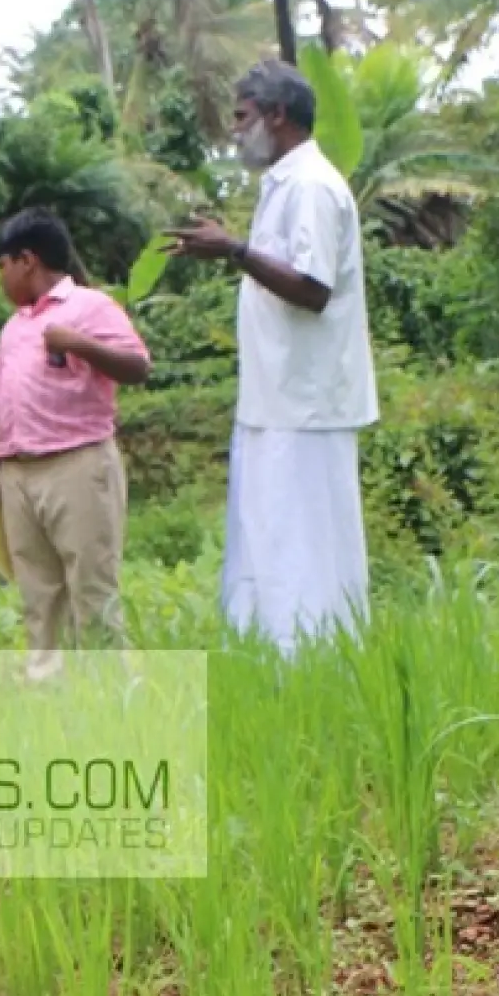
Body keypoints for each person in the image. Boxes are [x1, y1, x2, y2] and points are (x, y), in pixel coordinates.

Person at [171, 60, 379, 651]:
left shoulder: (311, 186)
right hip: (278, 399)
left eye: (242, 117)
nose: (235, 131)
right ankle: (275, 663)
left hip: (305, 404)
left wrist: (233, 249)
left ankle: (312, 665)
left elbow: (313, 288)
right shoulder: (284, 183)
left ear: (277, 114)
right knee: (269, 540)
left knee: (302, 546)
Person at [0, 209, 152, 682]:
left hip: (76, 462)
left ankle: (104, 693)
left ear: (27, 260)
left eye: (3, 267)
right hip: (18, 470)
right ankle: (48, 688)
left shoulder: (89, 307)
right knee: (38, 592)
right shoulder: (14, 326)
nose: (2, 279)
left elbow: (138, 367)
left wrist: (79, 344)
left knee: (90, 585)